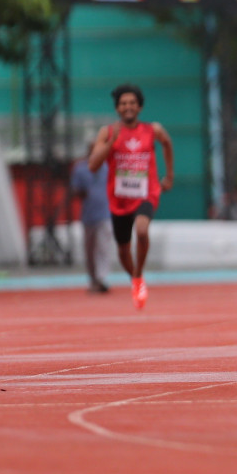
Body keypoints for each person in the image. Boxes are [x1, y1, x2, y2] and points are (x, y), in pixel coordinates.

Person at [88, 84, 174, 309]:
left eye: (132, 103)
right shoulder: (107, 132)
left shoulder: (152, 130)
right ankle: (136, 279)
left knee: (142, 230)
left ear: (140, 107)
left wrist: (169, 176)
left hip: (147, 192)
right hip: (120, 198)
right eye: (124, 103)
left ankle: (138, 272)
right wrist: (110, 142)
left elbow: (167, 143)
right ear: (117, 108)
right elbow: (93, 165)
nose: (128, 107)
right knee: (123, 249)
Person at [70, 144, 112, 293]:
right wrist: (82, 192)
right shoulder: (80, 169)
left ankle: (102, 278)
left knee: (103, 247)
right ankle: (93, 279)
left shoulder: (108, 167)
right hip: (88, 215)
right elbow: (74, 190)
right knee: (89, 249)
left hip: (105, 214)